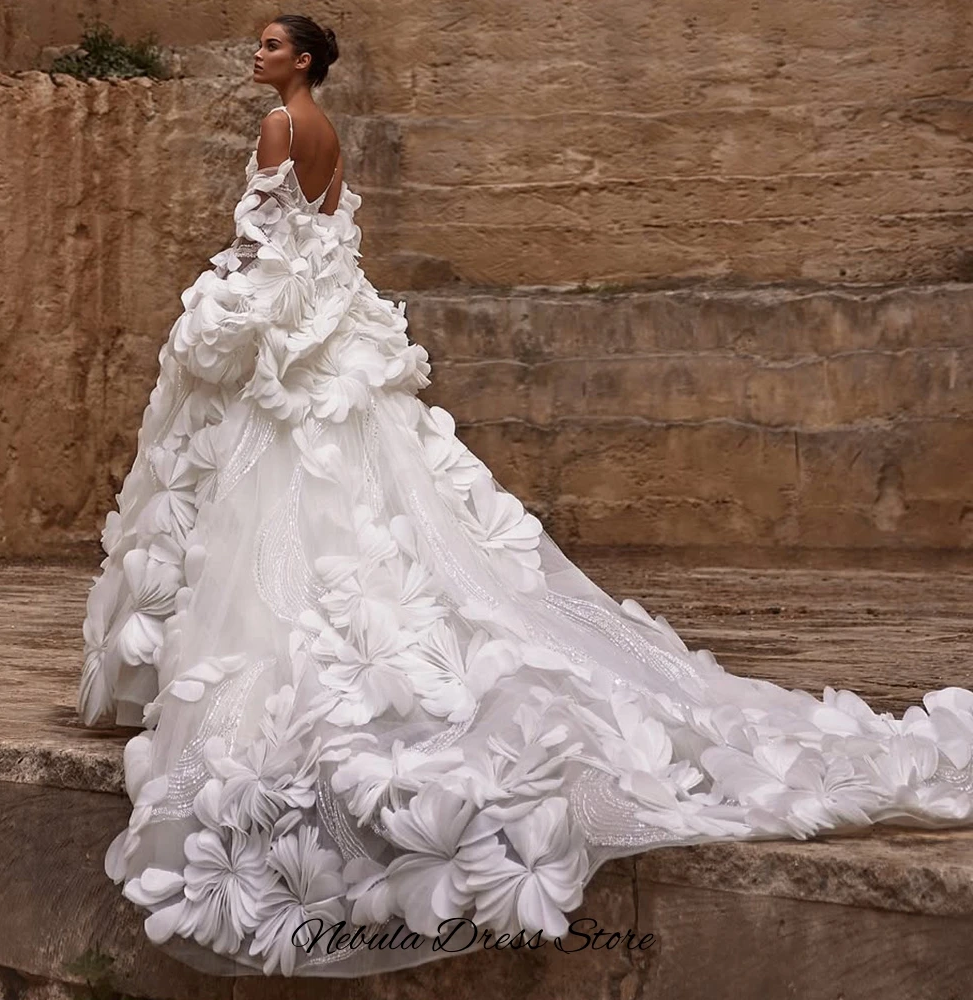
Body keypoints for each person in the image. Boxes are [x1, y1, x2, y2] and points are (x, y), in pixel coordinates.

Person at [76, 13, 973, 979]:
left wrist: (219, 312)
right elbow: (325, 238)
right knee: (380, 492)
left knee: (277, 499)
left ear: (301, 61)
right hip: (333, 329)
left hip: (289, 333)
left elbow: (262, 242)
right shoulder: (328, 130)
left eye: (269, 45)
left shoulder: (279, 129)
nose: (255, 55)